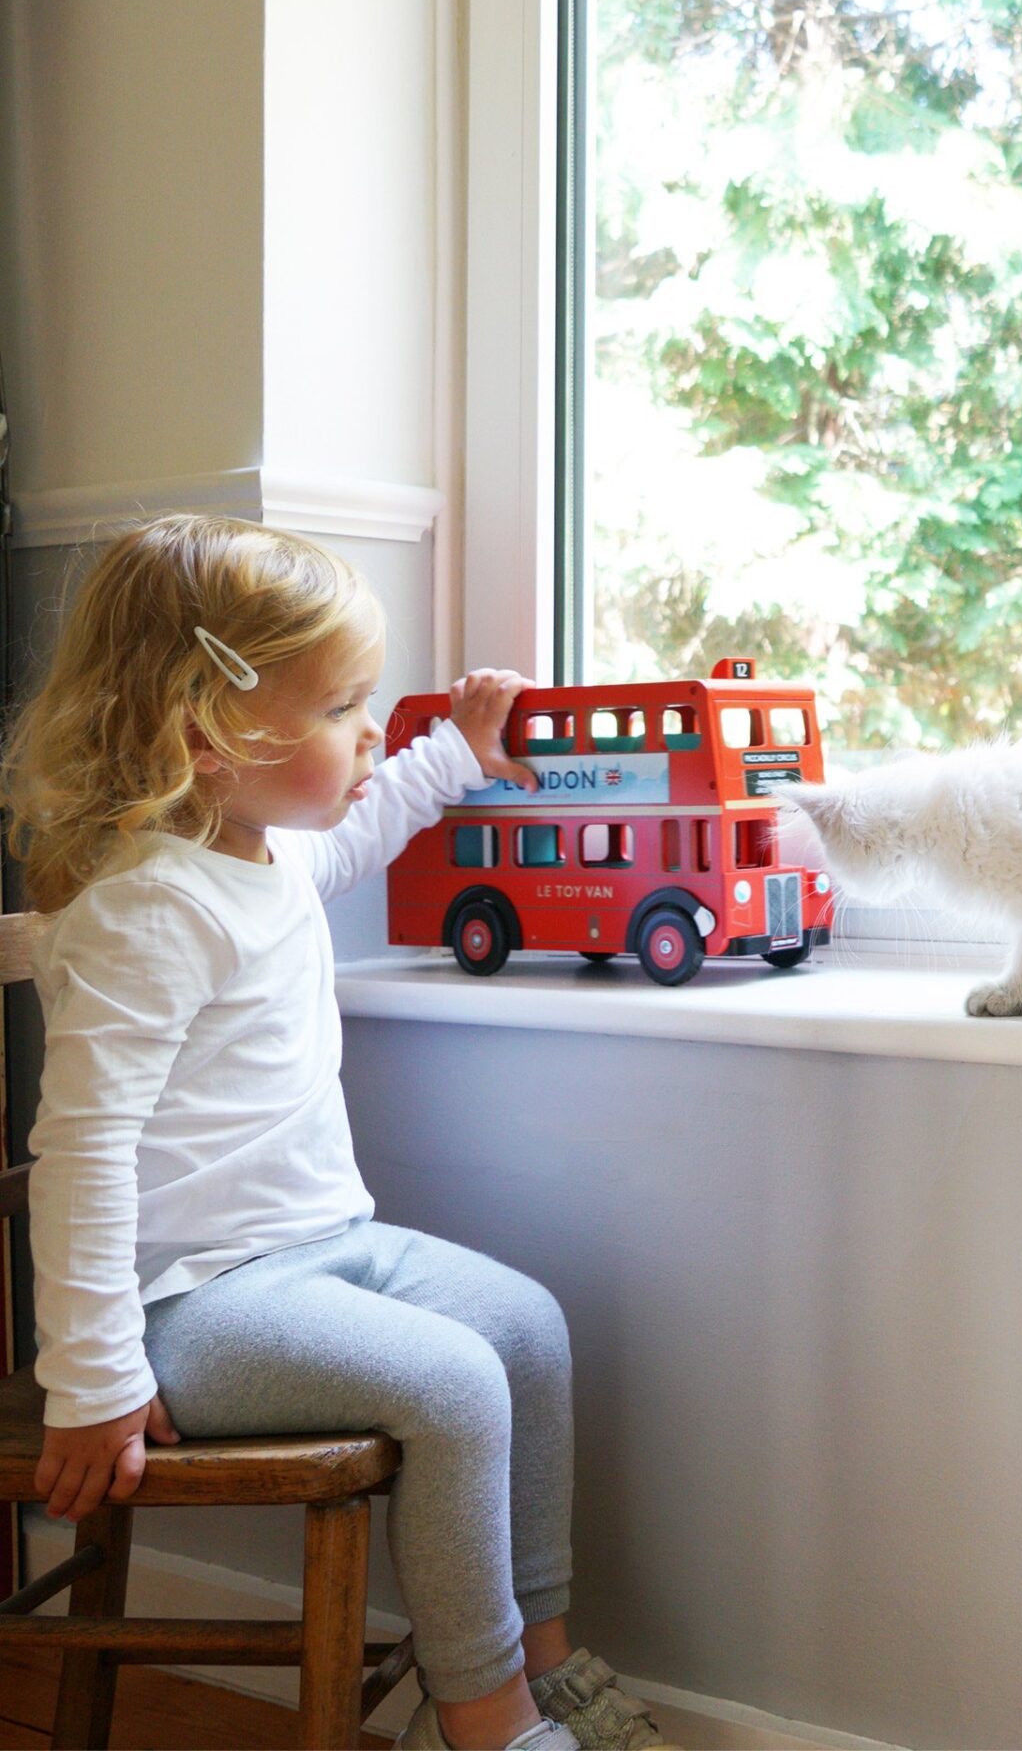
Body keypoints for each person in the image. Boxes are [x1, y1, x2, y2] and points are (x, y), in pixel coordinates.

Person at [6, 514, 674, 1751]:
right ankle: (485, 1719)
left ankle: (542, 1661)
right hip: (189, 1305)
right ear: (207, 733)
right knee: (453, 1383)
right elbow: (82, 1152)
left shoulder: (254, 859)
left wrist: (454, 753)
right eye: (340, 707)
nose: (370, 731)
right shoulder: (148, 910)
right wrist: (91, 1374)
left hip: (321, 1247)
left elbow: (359, 829)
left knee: (525, 1326)